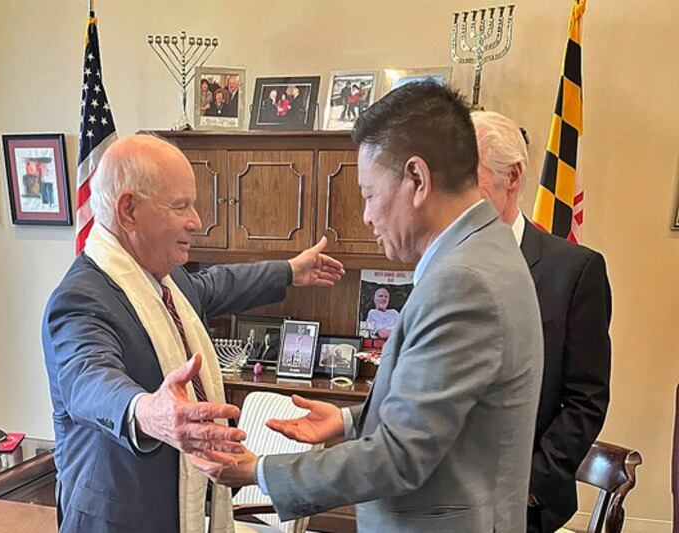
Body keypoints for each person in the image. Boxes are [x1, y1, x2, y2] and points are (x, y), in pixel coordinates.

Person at [191, 81, 544, 532]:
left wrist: (259, 471)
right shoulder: (486, 250)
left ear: (417, 179)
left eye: (370, 194)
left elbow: (400, 456)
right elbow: (446, 412)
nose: (366, 216)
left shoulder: (463, 280)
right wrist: (346, 419)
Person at [42, 134, 345, 533]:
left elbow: (215, 284)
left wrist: (288, 271)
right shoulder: (79, 299)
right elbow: (88, 379)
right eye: (180, 206)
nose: (196, 221)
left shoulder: (167, 281)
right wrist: (148, 411)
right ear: (128, 210)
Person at [472, 110, 612, 533]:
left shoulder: (575, 272)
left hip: (520, 505)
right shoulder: (440, 263)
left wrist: (529, 485)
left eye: (466, 175)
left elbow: (586, 399)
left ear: (511, 177)